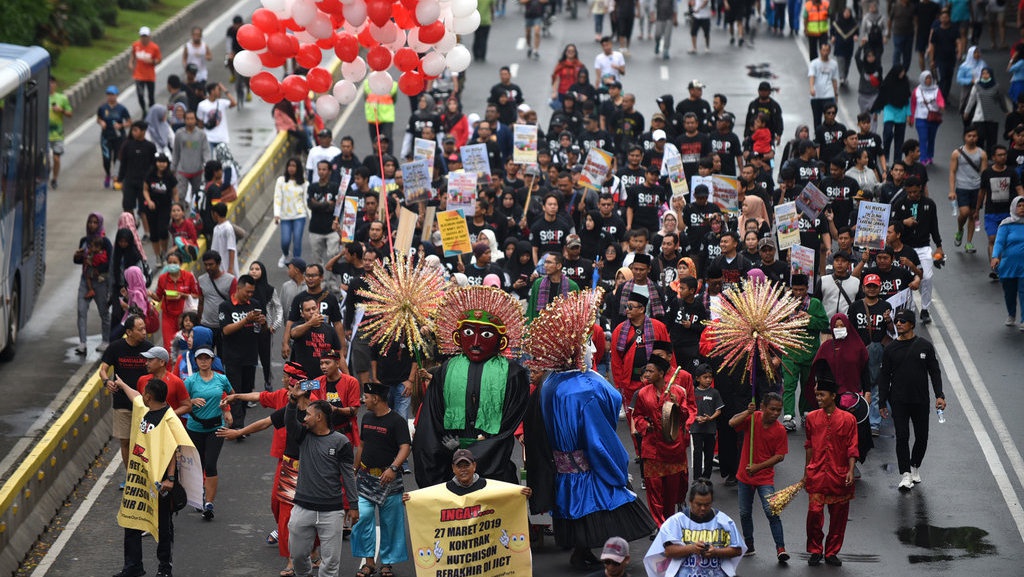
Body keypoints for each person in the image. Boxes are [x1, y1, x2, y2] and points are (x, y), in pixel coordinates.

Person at [413, 287, 530, 487]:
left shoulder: (513, 374)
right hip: (452, 461)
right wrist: (448, 455)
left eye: (485, 334)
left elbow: (509, 424)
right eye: (468, 333)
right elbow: (431, 422)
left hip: (493, 460)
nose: (475, 342)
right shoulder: (446, 370)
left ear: (501, 342)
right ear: (457, 337)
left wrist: (472, 453)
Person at [110, 376, 200, 577]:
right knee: (131, 519)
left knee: (163, 526)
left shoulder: (169, 420)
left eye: (145, 394)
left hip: (160, 484)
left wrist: (170, 479)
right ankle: (133, 566)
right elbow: (134, 397)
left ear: (149, 396)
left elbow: (173, 450)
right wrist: (123, 383)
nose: (142, 396)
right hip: (139, 481)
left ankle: (164, 568)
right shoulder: (145, 409)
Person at [287, 399, 359, 577]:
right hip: (303, 507)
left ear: (319, 417)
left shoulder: (341, 442)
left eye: (308, 415)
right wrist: (292, 401)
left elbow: (348, 475)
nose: (304, 418)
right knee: (297, 555)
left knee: (331, 563)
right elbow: (289, 422)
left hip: (332, 512)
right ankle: (304, 574)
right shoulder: (302, 435)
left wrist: (353, 505)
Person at [877, 309, 946, 491]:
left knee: (922, 437)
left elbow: (935, 371)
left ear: (912, 324)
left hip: (920, 400)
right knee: (902, 437)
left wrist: (940, 395)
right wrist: (882, 402)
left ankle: (915, 465)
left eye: (903, 321)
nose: (898, 324)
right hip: (899, 400)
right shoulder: (890, 348)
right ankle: (905, 474)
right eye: (897, 321)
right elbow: (884, 376)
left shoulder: (925, 346)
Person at [351, 381, 411, 577]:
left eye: (366, 397)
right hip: (366, 478)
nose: (363, 400)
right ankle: (369, 562)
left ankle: (387, 562)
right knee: (363, 517)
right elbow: (362, 445)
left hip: (389, 481)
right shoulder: (366, 418)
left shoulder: (397, 421)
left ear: (376, 398)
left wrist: (394, 468)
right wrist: (355, 467)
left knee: (390, 522)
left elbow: (405, 447)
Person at [802, 366, 858, 567]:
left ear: (833, 396)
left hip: (839, 475)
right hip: (817, 474)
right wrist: (806, 471)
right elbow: (809, 445)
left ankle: (832, 551)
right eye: (816, 395)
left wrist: (851, 470)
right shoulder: (811, 418)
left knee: (838, 518)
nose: (818, 398)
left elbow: (852, 447)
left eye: (822, 395)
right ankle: (815, 549)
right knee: (814, 515)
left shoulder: (848, 420)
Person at [728, 393, 789, 562]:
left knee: (772, 513)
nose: (776, 413)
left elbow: (779, 456)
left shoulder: (780, 430)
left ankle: (780, 548)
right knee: (745, 513)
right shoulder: (753, 417)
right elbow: (732, 423)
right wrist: (747, 413)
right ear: (762, 407)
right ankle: (749, 544)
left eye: (779, 410)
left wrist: (758, 467)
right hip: (744, 476)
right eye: (772, 409)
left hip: (764, 478)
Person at [631, 355, 690, 526]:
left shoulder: (678, 392)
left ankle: (670, 522)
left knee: (671, 493)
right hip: (652, 448)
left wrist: (677, 405)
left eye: (651, 370)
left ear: (661, 373)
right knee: (654, 491)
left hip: (673, 447)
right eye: (646, 370)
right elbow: (638, 415)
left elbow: (686, 415)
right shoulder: (642, 393)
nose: (647, 373)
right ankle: (660, 525)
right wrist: (644, 425)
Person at [643, 479, 746, 577]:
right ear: (690, 502)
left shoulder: (724, 521)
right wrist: (691, 548)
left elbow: (737, 550)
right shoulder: (676, 522)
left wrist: (716, 552)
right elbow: (668, 551)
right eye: (699, 504)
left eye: (707, 504)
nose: (703, 508)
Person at [100, 315, 154, 487]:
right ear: (129, 332)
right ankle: (130, 475)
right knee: (125, 441)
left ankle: (147, 474)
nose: (144, 332)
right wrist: (106, 381)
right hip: (122, 403)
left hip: (145, 405)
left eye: (144, 328)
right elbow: (103, 369)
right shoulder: (115, 348)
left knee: (146, 441)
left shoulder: (149, 349)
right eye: (140, 329)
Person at [183, 347, 233, 520]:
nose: (203, 361)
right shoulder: (190, 381)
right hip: (195, 428)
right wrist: (191, 400)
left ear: (212, 360)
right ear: (196, 361)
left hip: (215, 428)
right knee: (199, 465)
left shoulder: (221, 378)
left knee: (211, 464)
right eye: (200, 358)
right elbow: (179, 402)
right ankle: (199, 497)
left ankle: (209, 503)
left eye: (207, 358)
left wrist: (226, 409)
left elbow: (231, 395)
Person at [611, 292, 671, 428]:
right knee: (636, 424)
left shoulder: (658, 327)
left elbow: (668, 355)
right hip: (631, 384)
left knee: (656, 421)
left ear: (642, 309)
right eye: (626, 306)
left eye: (631, 307)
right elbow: (616, 360)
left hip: (655, 383)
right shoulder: (619, 330)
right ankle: (639, 449)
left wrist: (669, 378)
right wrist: (621, 385)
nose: (627, 310)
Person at [890, 176, 944, 323]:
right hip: (905, 247)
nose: (913, 195)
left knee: (926, 277)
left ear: (920, 188)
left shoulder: (929, 204)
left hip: (923, 246)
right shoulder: (899, 204)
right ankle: (906, 309)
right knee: (905, 278)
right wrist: (903, 222)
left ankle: (925, 309)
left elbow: (934, 226)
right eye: (910, 192)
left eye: (915, 191)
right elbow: (892, 224)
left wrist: (938, 246)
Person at [780, 275, 829, 430]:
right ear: (790, 289)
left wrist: (809, 319)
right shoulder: (785, 303)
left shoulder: (815, 303)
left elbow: (824, 324)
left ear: (807, 289)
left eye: (801, 289)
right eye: (795, 289)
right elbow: (777, 324)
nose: (798, 293)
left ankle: (805, 412)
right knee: (789, 385)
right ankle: (788, 415)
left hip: (809, 352)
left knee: (808, 384)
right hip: (789, 352)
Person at [219, 275, 266, 430]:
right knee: (235, 392)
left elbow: (262, 330)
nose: (250, 295)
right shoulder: (226, 306)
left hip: (250, 356)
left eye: (252, 292)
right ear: (238, 288)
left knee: (246, 392)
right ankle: (238, 426)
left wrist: (262, 323)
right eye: (247, 291)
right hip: (232, 357)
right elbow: (226, 330)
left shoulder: (255, 305)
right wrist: (246, 320)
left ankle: (240, 422)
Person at [75, 213, 113, 354]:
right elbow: (79, 261)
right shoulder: (84, 241)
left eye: (95, 222)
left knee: (104, 312)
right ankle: (82, 343)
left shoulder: (105, 242)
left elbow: (111, 261)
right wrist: (78, 256)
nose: (92, 225)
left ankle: (105, 341)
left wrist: (98, 269)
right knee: (81, 310)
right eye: (90, 222)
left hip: (101, 282)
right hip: (86, 280)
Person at [949, 124, 988, 254]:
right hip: (962, 187)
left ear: (977, 137)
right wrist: (952, 190)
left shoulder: (982, 154)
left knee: (973, 215)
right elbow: (952, 172)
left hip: (976, 188)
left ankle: (969, 243)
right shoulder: (957, 153)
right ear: (964, 137)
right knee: (964, 213)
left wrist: (985, 192)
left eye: (974, 136)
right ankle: (960, 229)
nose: (972, 138)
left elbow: (984, 175)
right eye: (969, 136)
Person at [152, 252, 199, 352]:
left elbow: (196, 295)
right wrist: (151, 295)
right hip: (168, 317)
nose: (172, 264)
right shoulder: (162, 278)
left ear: (181, 263)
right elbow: (159, 297)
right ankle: (171, 368)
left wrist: (183, 295)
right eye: (169, 262)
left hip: (185, 318)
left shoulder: (189, 277)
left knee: (187, 344)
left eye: (175, 262)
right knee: (169, 347)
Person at [196, 249, 237, 353]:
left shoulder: (231, 280)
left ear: (218, 264)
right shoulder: (201, 280)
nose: (208, 267)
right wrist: (198, 322)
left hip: (224, 327)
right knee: (204, 357)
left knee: (223, 359)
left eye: (211, 264)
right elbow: (201, 302)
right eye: (205, 265)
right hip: (206, 326)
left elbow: (234, 303)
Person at [992, 197, 1024, 327]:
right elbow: (999, 242)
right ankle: (1011, 314)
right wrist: (995, 256)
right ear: (1013, 207)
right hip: (1009, 266)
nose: (1022, 208)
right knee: (1009, 293)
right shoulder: (1006, 224)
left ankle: (1023, 320)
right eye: (1019, 205)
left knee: (1023, 292)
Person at [689, 364, 723, 481]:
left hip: (710, 429)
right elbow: (688, 408)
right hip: (696, 428)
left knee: (709, 454)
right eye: (705, 377)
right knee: (697, 453)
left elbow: (719, 410)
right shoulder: (693, 392)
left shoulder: (714, 393)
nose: (708, 380)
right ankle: (696, 479)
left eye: (710, 377)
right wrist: (695, 417)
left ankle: (706, 477)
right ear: (697, 378)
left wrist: (710, 418)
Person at [274, 158, 310, 268]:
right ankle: (285, 254)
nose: (291, 168)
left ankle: (296, 264)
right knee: (285, 241)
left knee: (297, 240)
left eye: (294, 166)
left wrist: (311, 216)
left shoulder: (304, 183)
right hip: (285, 216)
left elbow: (306, 200)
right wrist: (277, 213)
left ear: (298, 168)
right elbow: (277, 197)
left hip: (299, 215)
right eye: (289, 166)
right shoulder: (281, 181)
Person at [98, 86, 132, 189]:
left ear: (117, 95)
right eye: (109, 94)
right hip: (106, 137)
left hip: (119, 137)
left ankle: (116, 178)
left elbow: (130, 122)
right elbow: (98, 118)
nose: (110, 97)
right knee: (106, 159)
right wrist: (101, 122)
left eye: (112, 94)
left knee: (117, 159)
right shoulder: (103, 108)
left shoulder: (121, 109)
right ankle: (108, 174)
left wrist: (121, 126)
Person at [912, 71, 946, 166]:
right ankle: (922, 158)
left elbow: (940, 100)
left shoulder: (936, 89)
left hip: (933, 118)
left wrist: (941, 106)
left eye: (930, 78)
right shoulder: (917, 90)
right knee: (923, 138)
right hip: (921, 118)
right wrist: (911, 118)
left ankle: (929, 155)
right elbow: (913, 104)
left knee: (931, 138)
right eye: (926, 78)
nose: (928, 80)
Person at [129, 26, 162, 115]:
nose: (144, 39)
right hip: (139, 75)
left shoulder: (154, 47)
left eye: (145, 36)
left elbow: (159, 60)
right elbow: (133, 55)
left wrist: (152, 61)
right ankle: (144, 110)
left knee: (151, 97)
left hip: (150, 76)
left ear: (149, 37)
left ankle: (152, 112)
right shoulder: (136, 45)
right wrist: (131, 63)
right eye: (142, 36)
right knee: (140, 95)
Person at [196, 82, 238, 150]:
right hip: (208, 138)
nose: (220, 92)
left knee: (222, 160)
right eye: (218, 90)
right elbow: (200, 123)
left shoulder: (222, 102)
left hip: (222, 138)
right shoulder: (202, 105)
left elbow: (234, 103)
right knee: (209, 159)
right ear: (212, 91)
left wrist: (225, 90)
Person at [48, 76, 72, 189]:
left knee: (56, 159)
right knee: (45, 160)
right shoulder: (41, 97)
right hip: (44, 134)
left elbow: (70, 114)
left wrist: (61, 110)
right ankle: (43, 177)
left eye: (52, 83)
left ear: (55, 85)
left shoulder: (62, 98)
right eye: (48, 83)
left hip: (58, 134)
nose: (50, 86)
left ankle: (55, 178)